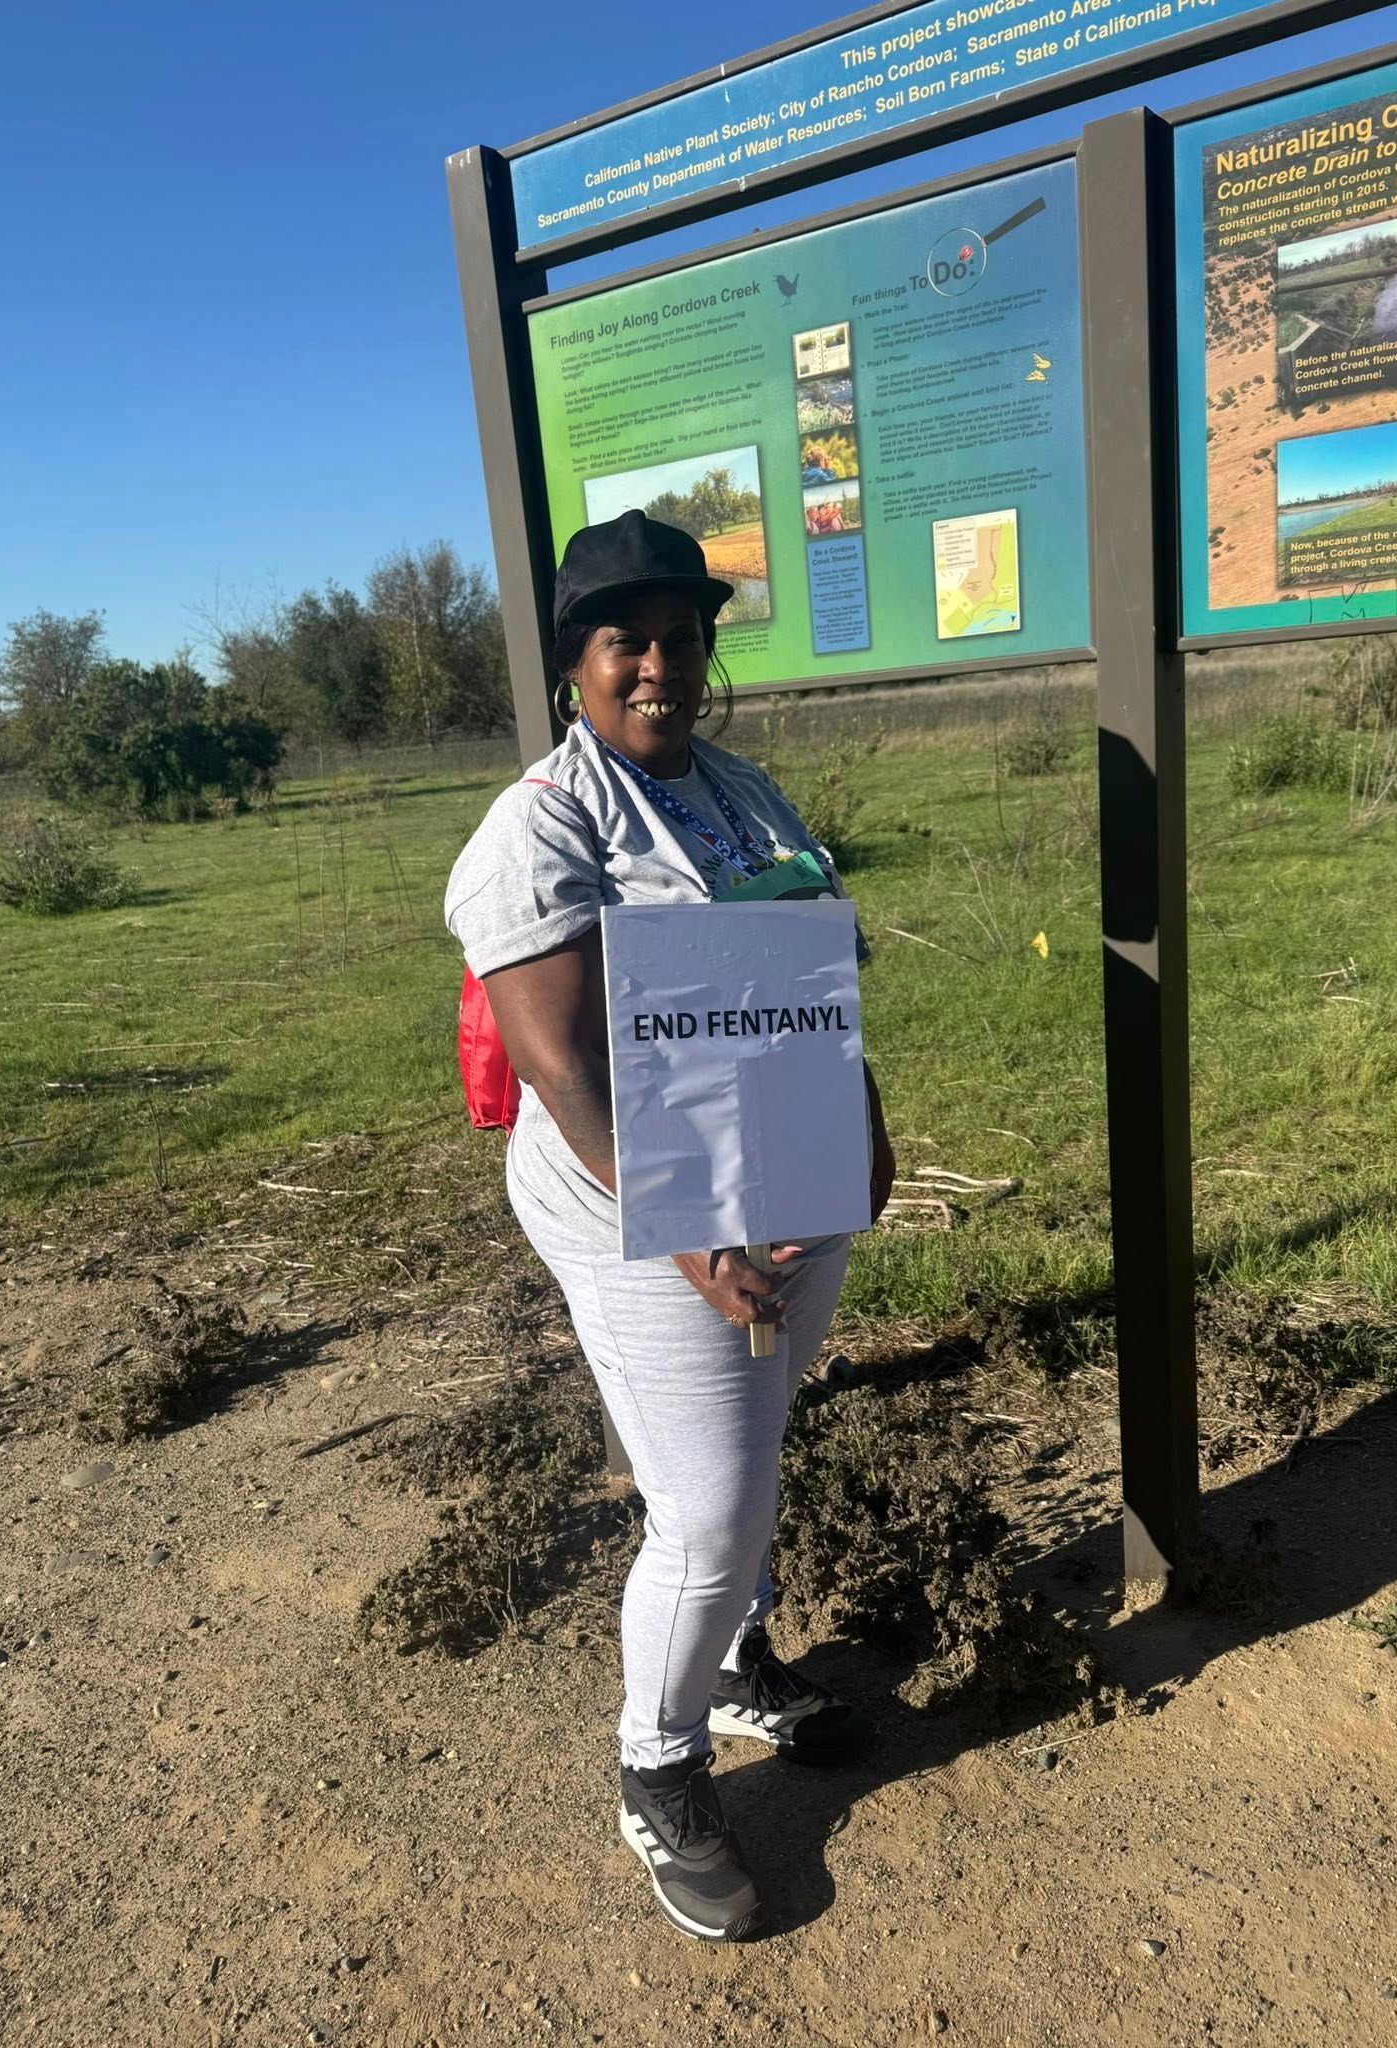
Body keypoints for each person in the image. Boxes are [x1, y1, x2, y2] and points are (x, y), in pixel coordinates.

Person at [444, 510, 895, 1943]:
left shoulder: (746, 793)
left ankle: (740, 1663)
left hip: (788, 1180)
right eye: (625, 639)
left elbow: (813, 970)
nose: (659, 664)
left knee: (758, 1438)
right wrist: (687, 1226)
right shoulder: (547, 823)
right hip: (639, 1208)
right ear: (578, 662)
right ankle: (659, 1761)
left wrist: (866, 1119)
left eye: (682, 637)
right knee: (705, 1512)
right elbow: (561, 1062)